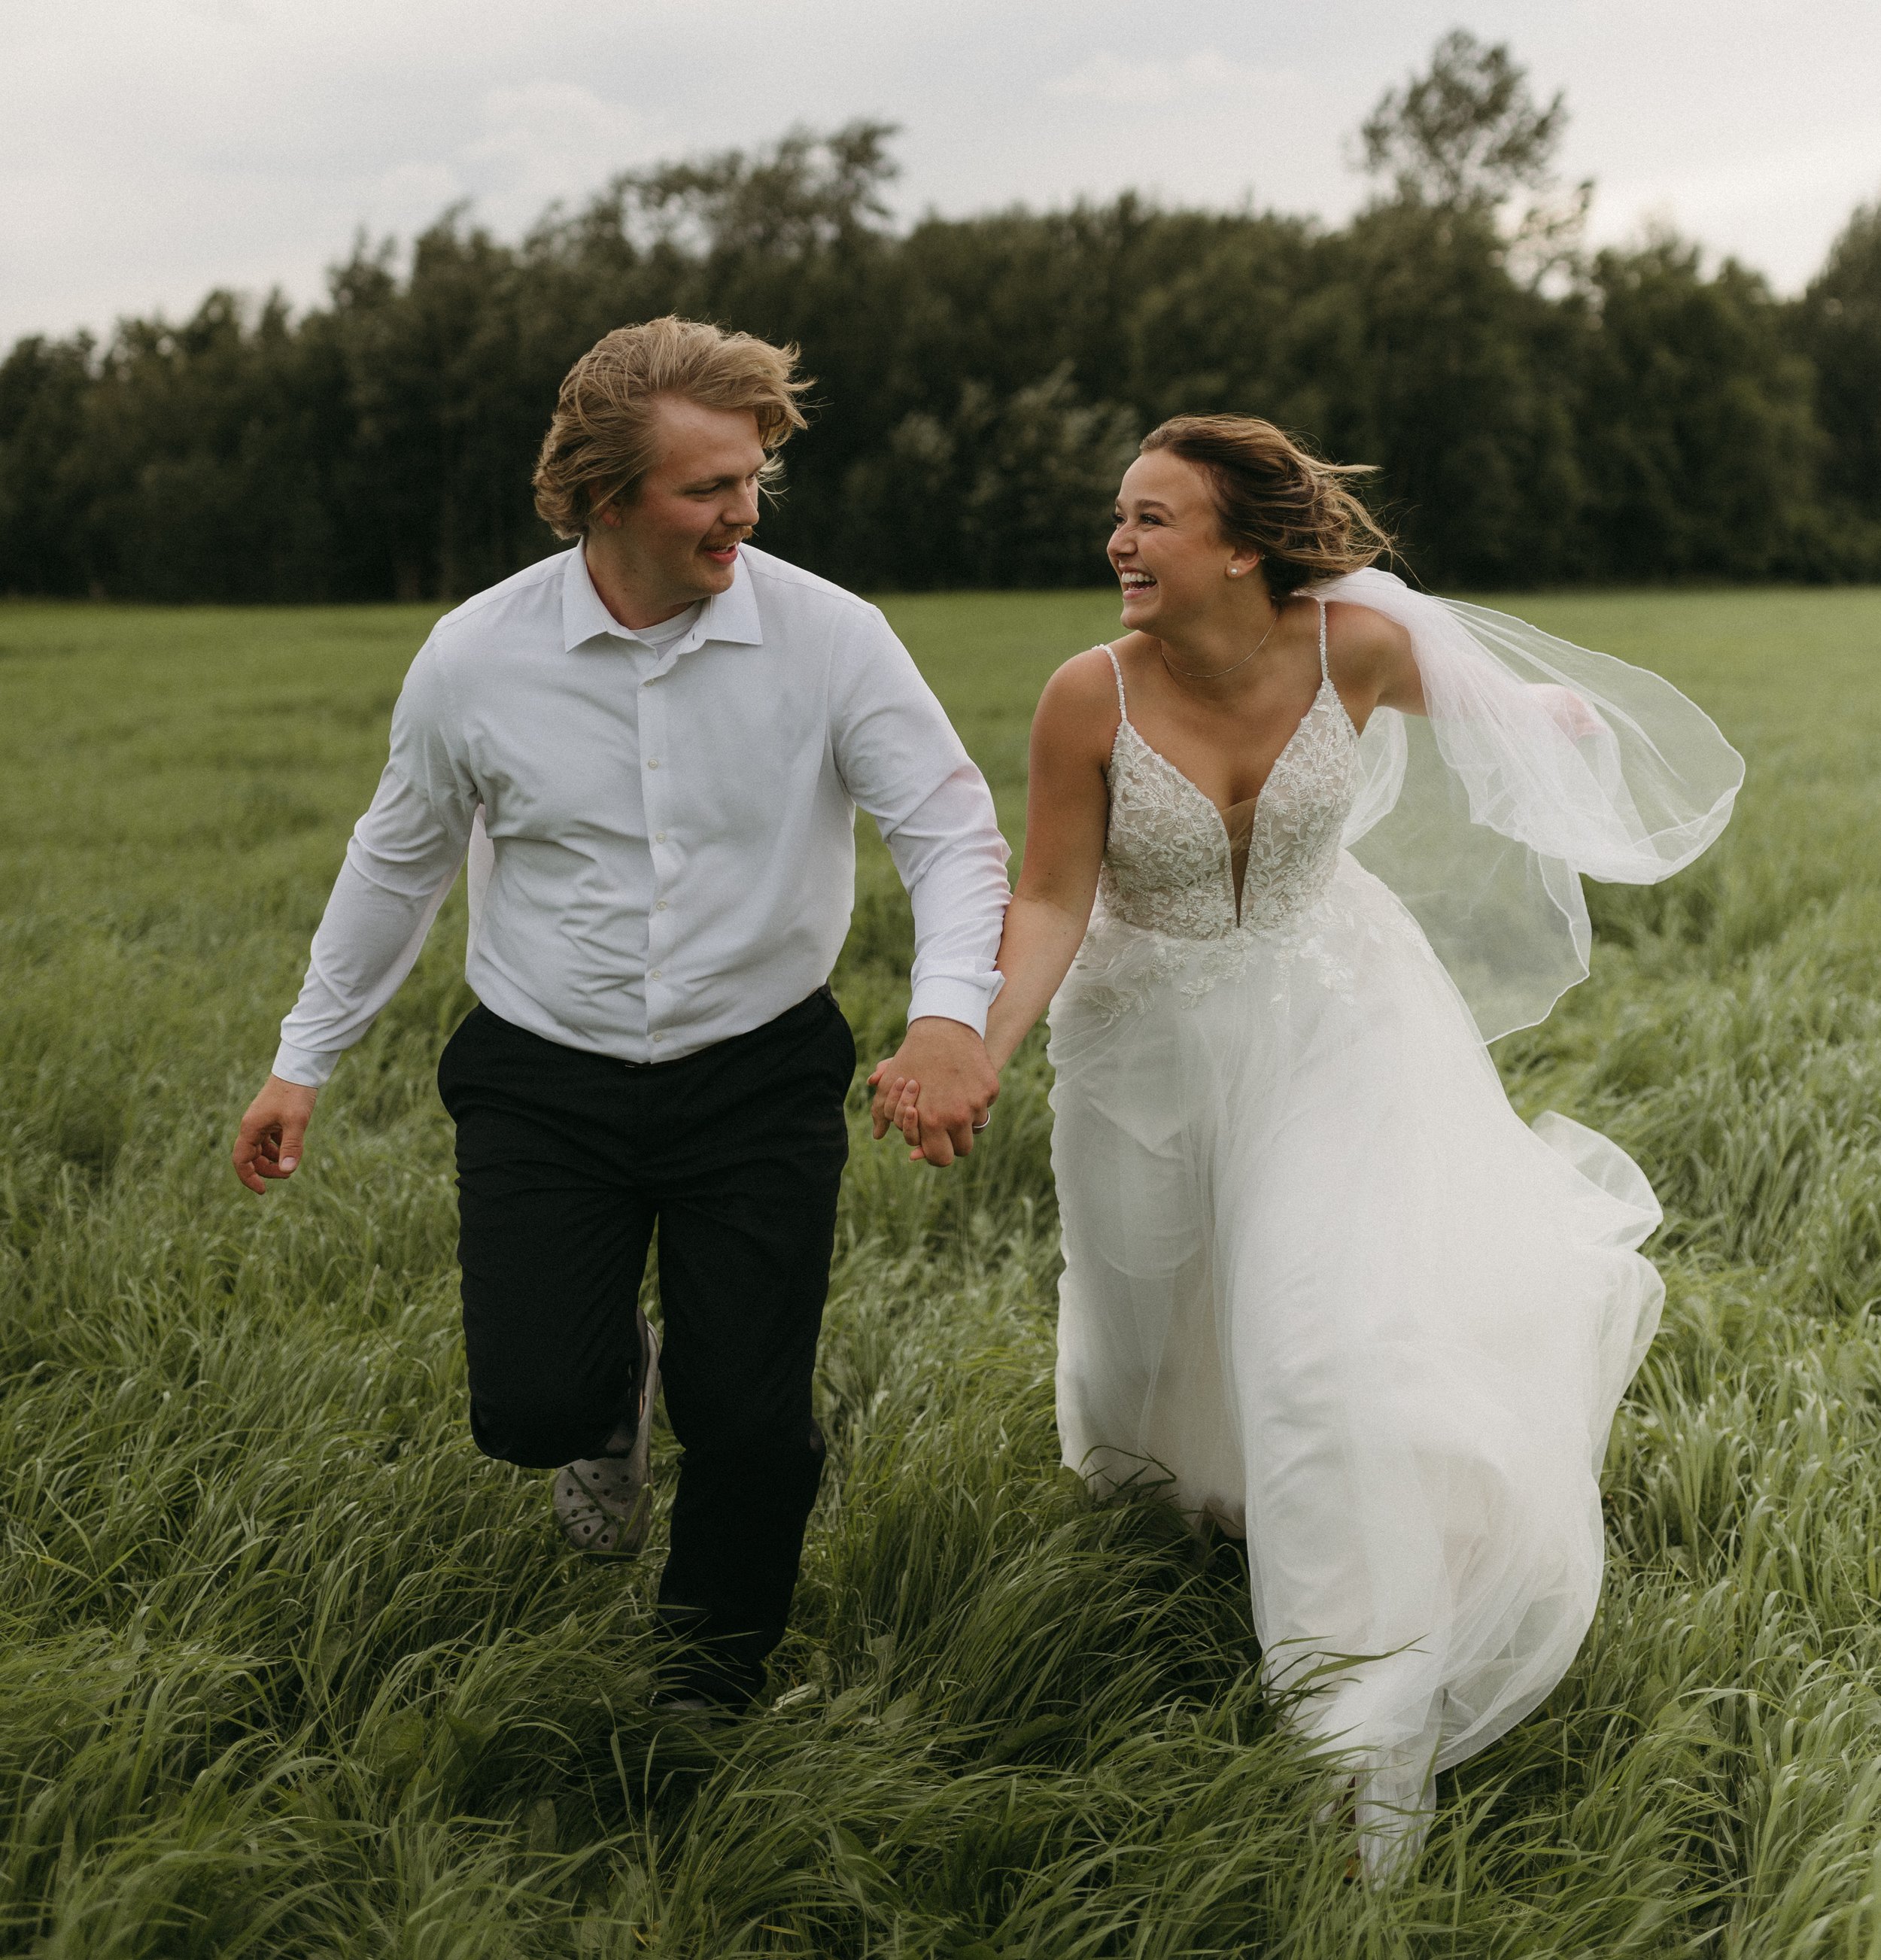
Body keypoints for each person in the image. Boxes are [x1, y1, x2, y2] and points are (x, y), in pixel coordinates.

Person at [874, 415, 1741, 1876]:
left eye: (1151, 519)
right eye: (1118, 517)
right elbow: (1046, 898)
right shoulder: (1085, 697)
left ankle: (1356, 1724)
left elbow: (1491, 704)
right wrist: (971, 1042)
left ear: (1241, 545)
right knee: (1152, 1333)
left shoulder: (1359, 648)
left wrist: (1541, 723)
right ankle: (1196, 1502)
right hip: (1137, 1043)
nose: (1119, 544)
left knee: (1322, 1340)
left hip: (1333, 1020)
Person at [232, 316, 1007, 1709]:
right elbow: (396, 860)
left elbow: (951, 831)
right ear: (601, 495)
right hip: (543, 1073)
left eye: (756, 474)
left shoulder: (834, 638)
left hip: (758, 1070)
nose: (745, 509)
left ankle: (707, 1680)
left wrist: (950, 1014)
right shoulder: (476, 657)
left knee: (754, 1416)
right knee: (528, 1408)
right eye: (708, 486)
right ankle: (605, 1394)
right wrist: (303, 1063)